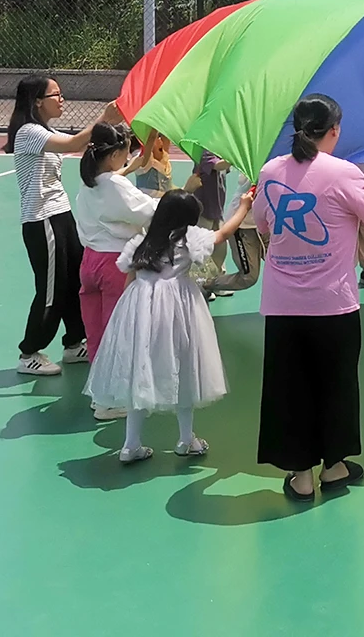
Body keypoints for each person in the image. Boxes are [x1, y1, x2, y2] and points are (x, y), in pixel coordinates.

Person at [253, 94, 364, 502]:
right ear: (334, 130)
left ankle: (300, 475)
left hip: (283, 304)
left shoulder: (270, 171)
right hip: (332, 304)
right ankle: (334, 467)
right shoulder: (345, 173)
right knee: (336, 386)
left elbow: (262, 224)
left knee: (290, 388)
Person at [84, 188, 254, 464]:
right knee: (185, 368)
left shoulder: (144, 240)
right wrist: (244, 207)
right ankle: (186, 439)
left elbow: (129, 278)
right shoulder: (188, 238)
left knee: (140, 372)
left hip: (140, 306)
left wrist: (125, 316)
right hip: (178, 308)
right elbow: (223, 234)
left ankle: (131, 444)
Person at [3, 75, 122, 377]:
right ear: (37, 102)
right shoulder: (28, 132)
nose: (62, 99)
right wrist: (102, 119)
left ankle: (73, 343)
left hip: (61, 214)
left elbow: (80, 145)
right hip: (41, 219)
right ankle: (29, 351)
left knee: (75, 282)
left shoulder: (46, 130)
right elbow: (73, 143)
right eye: (56, 94)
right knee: (51, 289)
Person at [74, 123, 158, 418]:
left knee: (96, 331)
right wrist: (175, 200)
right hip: (115, 263)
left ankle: (100, 393)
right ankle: (114, 398)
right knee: (120, 329)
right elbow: (145, 210)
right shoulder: (116, 184)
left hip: (90, 261)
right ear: (114, 155)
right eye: (125, 152)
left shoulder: (90, 181)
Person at [207, 168, 265, 293]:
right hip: (243, 225)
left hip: (268, 223)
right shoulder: (257, 163)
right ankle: (204, 285)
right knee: (248, 277)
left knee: (286, 263)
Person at [185, 149, 233, 299]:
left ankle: (216, 282)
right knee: (201, 247)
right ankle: (199, 283)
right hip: (203, 208)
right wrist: (235, 156)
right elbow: (218, 165)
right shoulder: (203, 151)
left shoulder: (219, 149)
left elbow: (225, 169)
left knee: (220, 248)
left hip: (217, 209)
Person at [125, 129, 173, 197]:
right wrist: (152, 127)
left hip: (165, 201)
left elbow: (166, 138)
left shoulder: (162, 158)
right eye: (158, 137)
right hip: (149, 203)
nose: (160, 140)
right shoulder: (142, 162)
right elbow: (151, 138)